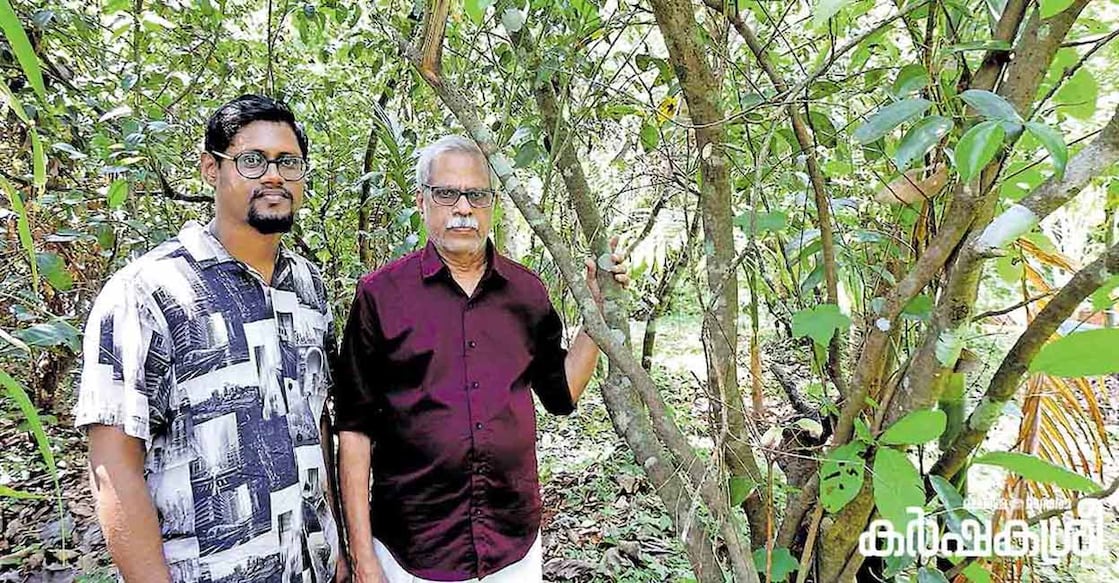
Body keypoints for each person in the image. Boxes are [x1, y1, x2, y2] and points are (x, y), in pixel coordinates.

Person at [75, 94, 347, 582]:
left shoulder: (308, 287)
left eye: (289, 162)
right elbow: (114, 461)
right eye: (252, 160)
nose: (274, 176)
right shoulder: (149, 291)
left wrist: (338, 548)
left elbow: (316, 424)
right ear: (210, 168)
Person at [334, 135, 629, 583]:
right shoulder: (381, 295)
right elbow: (354, 432)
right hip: (413, 549)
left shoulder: (525, 292)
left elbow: (562, 392)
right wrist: (363, 556)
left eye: (477, 194)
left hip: (512, 543)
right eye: (446, 193)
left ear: (492, 203)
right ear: (422, 200)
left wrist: (596, 312)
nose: (463, 208)